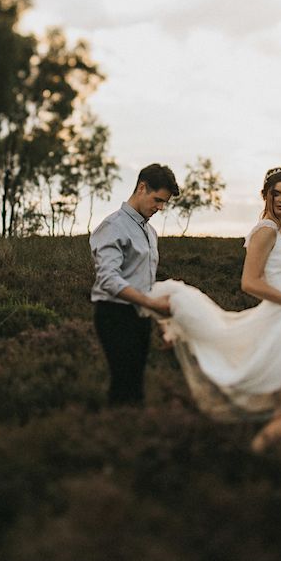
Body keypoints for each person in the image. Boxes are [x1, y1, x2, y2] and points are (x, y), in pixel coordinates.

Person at [150, 166, 281, 451]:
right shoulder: (266, 230)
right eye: (276, 193)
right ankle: (255, 454)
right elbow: (249, 282)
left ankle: (268, 464)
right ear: (265, 195)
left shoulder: (279, 234)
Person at [89, 163, 180, 406]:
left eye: (164, 203)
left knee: (136, 386)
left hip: (140, 316)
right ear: (142, 187)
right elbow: (108, 279)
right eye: (157, 200)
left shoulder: (150, 232)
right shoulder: (113, 226)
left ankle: (131, 434)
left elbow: (146, 283)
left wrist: (163, 325)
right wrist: (150, 303)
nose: (160, 208)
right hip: (114, 314)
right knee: (123, 385)